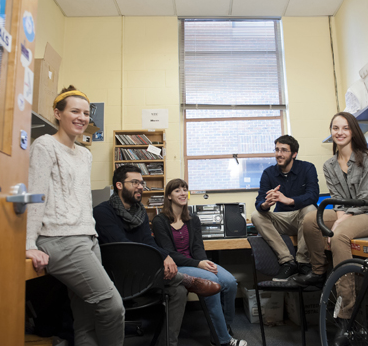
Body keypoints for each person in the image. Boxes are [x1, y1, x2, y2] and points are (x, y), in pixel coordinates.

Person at [26, 86, 125, 346]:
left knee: (86, 318)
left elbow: (80, 199)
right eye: (74, 111)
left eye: (85, 113)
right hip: (61, 239)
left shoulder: (85, 154)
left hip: (88, 239)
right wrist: (28, 244)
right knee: (113, 306)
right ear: (58, 114)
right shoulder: (44, 145)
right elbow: (36, 195)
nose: (81, 117)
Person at [93, 165, 221, 346]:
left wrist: (164, 256)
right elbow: (122, 247)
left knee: (178, 291)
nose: (140, 186)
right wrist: (157, 259)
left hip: (144, 273)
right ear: (119, 185)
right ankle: (185, 278)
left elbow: (148, 241)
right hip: (119, 274)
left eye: (142, 183)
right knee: (178, 282)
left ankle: (167, 344)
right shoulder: (102, 211)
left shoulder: (140, 212)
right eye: (135, 182)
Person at [294, 112, 368, 345]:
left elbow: (364, 199)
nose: (340, 132)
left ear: (353, 131)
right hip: (348, 213)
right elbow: (339, 200)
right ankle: (319, 270)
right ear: (331, 131)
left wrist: (339, 225)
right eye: (335, 128)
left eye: (345, 128)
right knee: (312, 219)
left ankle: (346, 315)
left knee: (340, 235)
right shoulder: (329, 165)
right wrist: (340, 219)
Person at [152, 179, 248, 346]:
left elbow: (197, 247)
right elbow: (169, 253)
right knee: (213, 282)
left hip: (196, 262)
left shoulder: (192, 219)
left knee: (230, 282)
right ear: (168, 196)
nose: (182, 193)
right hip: (178, 266)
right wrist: (198, 265)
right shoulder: (160, 221)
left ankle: (222, 328)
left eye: (184, 189)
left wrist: (203, 261)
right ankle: (223, 340)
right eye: (177, 190)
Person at [251, 135, 319, 281]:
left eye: (284, 150)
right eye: (277, 150)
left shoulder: (307, 168)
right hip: (281, 220)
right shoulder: (268, 173)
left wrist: (288, 200)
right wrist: (265, 204)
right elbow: (259, 201)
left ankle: (302, 262)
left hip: (303, 219)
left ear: (294, 154)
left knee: (311, 209)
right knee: (256, 215)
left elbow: (313, 196)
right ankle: (287, 261)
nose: (279, 154)